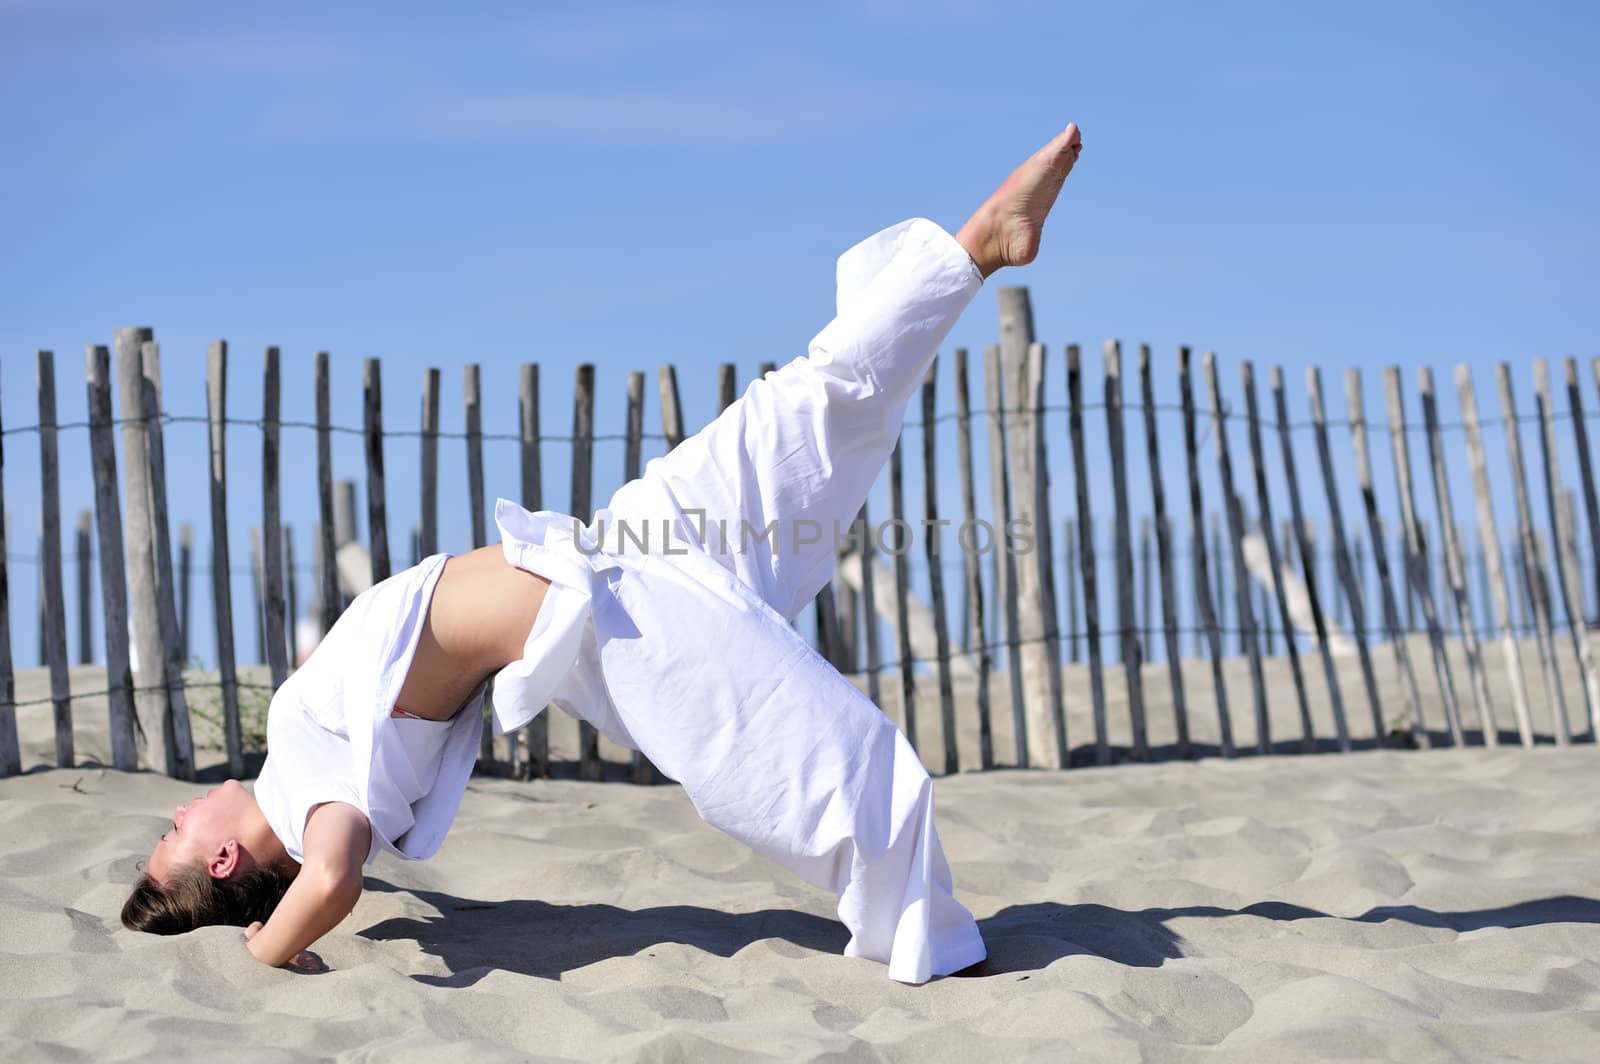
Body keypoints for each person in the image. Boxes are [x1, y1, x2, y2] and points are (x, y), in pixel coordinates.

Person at [122, 122, 1084, 984]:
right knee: (826, 754)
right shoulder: (302, 804)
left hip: (610, 551)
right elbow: (331, 877)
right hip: (613, 622)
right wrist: (264, 949)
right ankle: (927, 936)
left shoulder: (306, 759)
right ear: (219, 861)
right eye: (176, 833)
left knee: (801, 411)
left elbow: (383, 708)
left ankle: (974, 248)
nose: (181, 812)